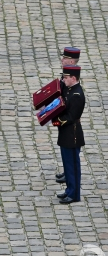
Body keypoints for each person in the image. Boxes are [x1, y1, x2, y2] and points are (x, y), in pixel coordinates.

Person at [52, 64, 85, 204]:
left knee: (72, 166)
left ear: (73, 78)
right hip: (66, 134)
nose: (64, 80)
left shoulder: (77, 94)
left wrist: (57, 120)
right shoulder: (69, 88)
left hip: (72, 134)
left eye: (66, 77)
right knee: (67, 164)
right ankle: (69, 190)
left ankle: (74, 194)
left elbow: (71, 116)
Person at [55, 47, 80, 183]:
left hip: (69, 119)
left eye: (64, 58)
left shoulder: (72, 75)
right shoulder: (67, 73)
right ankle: (67, 171)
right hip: (63, 114)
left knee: (71, 151)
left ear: (70, 60)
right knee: (66, 148)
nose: (62, 59)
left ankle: (70, 173)